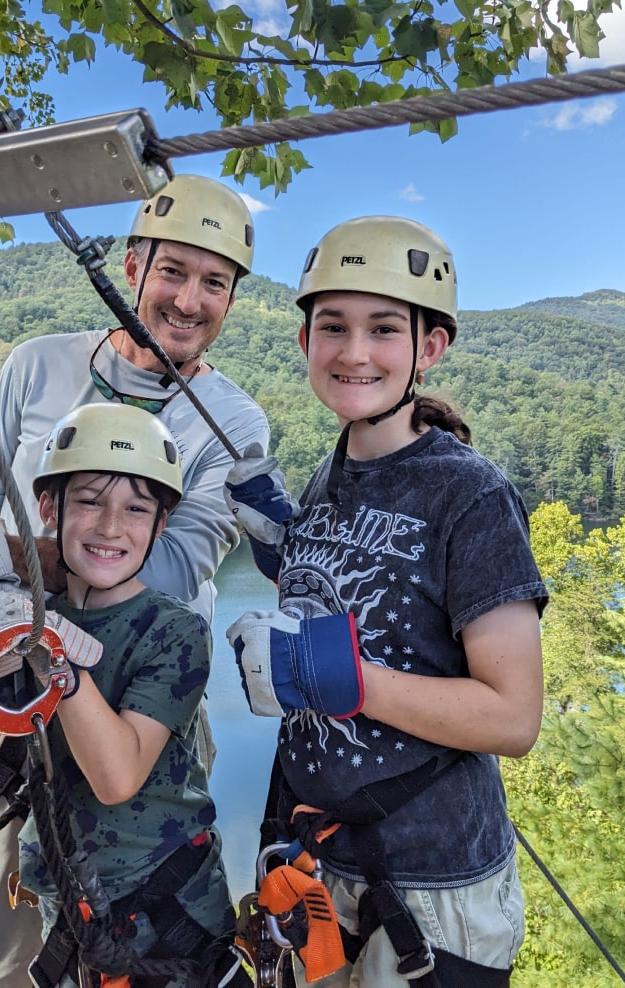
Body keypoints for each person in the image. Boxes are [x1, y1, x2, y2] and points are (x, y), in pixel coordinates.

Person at [0, 174, 269, 987]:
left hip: (137, 696)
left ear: (231, 299)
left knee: (141, 925)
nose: (190, 300)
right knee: (6, 941)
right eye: (174, 271)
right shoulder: (36, 366)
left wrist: (4, 566)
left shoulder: (232, 423)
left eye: (215, 283)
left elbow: (163, 565)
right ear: (132, 266)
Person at [223, 216, 548, 986]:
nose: (354, 351)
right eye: (332, 326)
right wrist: (287, 556)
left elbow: (513, 718)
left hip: (434, 891)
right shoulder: (325, 481)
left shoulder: (470, 495)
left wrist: (347, 680)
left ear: (428, 350)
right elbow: (367, 616)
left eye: (384, 329)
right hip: (323, 865)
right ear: (305, 342)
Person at [0, 403, 248, 988]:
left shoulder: (173, 632)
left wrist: (53, 656)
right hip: (72, 907)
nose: (109, 526)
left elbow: (117, 776)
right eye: (88, 500)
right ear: (49, 508)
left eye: (135, 508)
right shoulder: (25, 621)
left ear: (161, 524)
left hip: (166, 911)